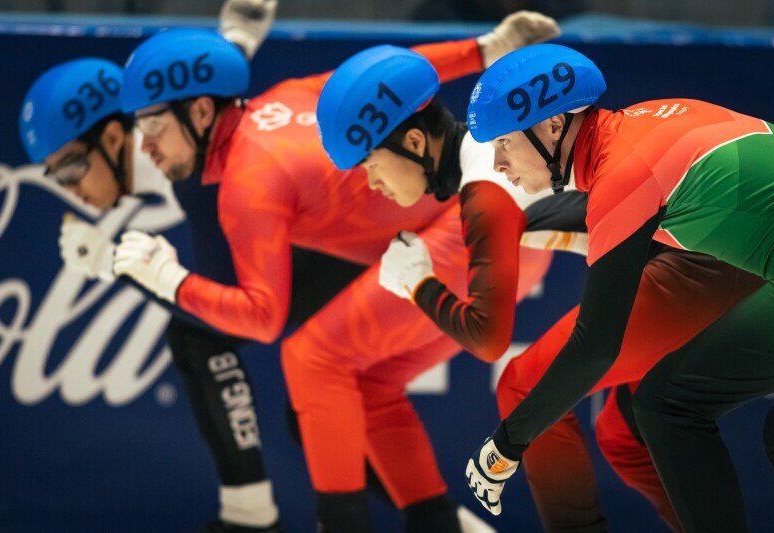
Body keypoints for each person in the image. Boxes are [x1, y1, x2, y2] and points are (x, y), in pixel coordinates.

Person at [113, 13, 560, 532]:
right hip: (503, 233)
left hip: (474, 231)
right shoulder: (285, 97)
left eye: (152, 127)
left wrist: (167, 279)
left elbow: (262, 318)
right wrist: (485, 47)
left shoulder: (247, 184)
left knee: (314, 359)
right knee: (367, 381)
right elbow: (393, 75)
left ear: (201, 110)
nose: (144, 146)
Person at [315, 45, 763, 531]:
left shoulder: (492, 195)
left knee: (532, 384)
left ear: (417, 143)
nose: (370, 183)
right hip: (711, 255)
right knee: (623, 431)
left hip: (703, 264)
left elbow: (496, 337)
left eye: (369, 164)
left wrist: (418, 284)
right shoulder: (631, 125)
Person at [464, 43, 774, 532]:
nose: (498, 164)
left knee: (667, 404)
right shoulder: (648, 120)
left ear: (551, 125)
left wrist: (507, 444)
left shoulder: (622, 174)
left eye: (503, 142)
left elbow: (594, 349)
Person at [18, 3, 284, 531]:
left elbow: (230, 316)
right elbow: (220, 65)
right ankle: (250, 514)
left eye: (70, 170)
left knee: (200, 339)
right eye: (54, 180)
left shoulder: (193, 176)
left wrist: (124, 269)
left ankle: (252, 517)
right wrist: (239, 32)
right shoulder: (182, 131)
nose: (70, 193)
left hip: (366, 254)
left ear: (114, 139)